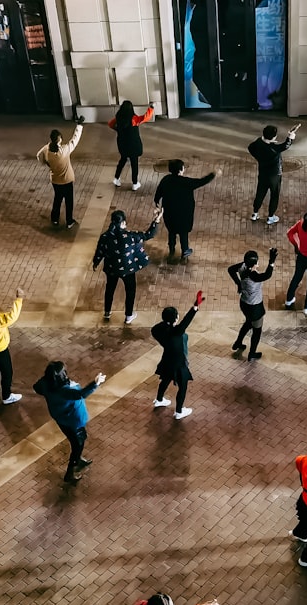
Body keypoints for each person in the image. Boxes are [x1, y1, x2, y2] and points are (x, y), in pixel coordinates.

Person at [33, 362, 106, 483]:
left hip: (62, 418)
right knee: (78, 444)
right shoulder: (64, 390)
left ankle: (78, 459)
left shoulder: (46, 384)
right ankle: (70, 472)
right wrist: (96, 383)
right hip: (73, 420)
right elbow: (81, 394)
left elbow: (36, 387)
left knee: (78, 439)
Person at [92, 208, 159, 323]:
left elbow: (100, 251)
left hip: (111, 268)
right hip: (128, 269)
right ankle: (128, 316)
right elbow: (149, 235)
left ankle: (107, 312)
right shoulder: (130, 236)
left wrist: (96, 262)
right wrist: (156, 220)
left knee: (110, 289)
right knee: (130, 290)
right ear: (123, 223)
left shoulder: (105, 236)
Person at [151, 292, 204, 420]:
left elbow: (166, 326)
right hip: (178, 364)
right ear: (175, 319)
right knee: (183, 386)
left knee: (165, 379)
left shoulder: (158, 330)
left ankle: (159, 399)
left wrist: (170, 323)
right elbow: (186, 321)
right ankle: (179, 411)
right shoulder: (177, 332)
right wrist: (195, 307)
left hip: (167, 360)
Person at [153, 159, 216, 262]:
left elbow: (158, 194)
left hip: (170, 214)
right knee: (183, 235)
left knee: (171, 233)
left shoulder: (166, 180)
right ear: (181, 169)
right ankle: (184, 254)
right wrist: (213, 174)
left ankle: (171, 251)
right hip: (184, 215)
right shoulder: (187, 182)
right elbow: (201, 181)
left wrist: (156, 204)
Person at [228, 247, 277, 360]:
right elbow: (267, 275)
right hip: (255, 307)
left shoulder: (242, 266)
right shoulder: (253, 276)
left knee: (248, 323)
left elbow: (230, 269)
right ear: (255, 263)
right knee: (257, 330)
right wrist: (271, 261)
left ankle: (238, 343)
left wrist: (238, 283)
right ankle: (252, 354)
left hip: (244, 303)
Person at [36, 118, 85, 228]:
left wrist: (45, 163)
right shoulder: (64, 151)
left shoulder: (46, 149)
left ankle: (54, 219)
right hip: (66, 180)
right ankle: (69, 221)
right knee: (69, 201)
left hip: (55, 180)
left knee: (57, 199)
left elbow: (38, 156)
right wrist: (79, 125)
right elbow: (75, 139)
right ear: (60, 140)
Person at [248, 123, 299, 224]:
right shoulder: (274, 148)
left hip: (263, 173)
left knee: (260, 193)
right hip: (274, 175)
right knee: (274, 195)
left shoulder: (258, 142)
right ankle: (271, 216)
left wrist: (258, 158)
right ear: (274, 137)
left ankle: (255, 213)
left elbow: (250, 148)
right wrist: (291, 134)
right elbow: (286, 145)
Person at [109, 100, 154, 190]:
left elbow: (110, 124)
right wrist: (151, 108)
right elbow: (146, 117)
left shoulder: (118, 118)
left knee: (122, 160)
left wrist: (117, 129)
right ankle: (135, 183)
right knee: (134, 164)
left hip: (122, 144)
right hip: (133, 144)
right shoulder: (134, 119)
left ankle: (116, 178)